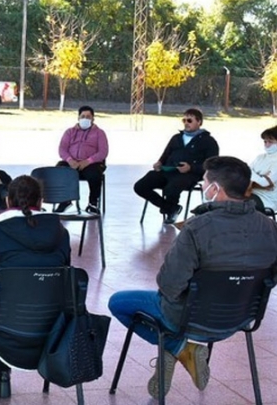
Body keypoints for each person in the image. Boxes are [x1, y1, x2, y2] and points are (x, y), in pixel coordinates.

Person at [110, 156, 277, 400]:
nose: (202, 186)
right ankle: (182, 349)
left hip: (190, 318)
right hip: (242, 317)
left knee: (118, 302)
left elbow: (169, 285)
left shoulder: (197, 227)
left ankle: (178, 347)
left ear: (215, 189)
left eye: (204, 182)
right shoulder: (270, 227)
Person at [0, 175, 70, 398]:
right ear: (41, 201)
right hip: (51, 325)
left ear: (8, 202)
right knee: (9, 300)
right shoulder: (61, 233)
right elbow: (63, 280)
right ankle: (2, 375)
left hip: (2, 323)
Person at [133, 108, 219, 224]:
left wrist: (191, 167)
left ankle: (170, 211)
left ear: (199, 122)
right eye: (184, 120)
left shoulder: (208, 141)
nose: (186, 123)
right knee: (141, 185)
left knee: (172, 187)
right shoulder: (176, 138)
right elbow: (165, 155)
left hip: (189, 175)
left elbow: (212, 165)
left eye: (189, 120)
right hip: (168, 171)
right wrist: (159, 163)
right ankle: (171, 208)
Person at [56, 105, 109, 214]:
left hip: (91, 163)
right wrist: (70, 160)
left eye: (88, 117)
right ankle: (65, 200)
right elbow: (62, 149)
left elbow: (103, 152)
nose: (85, 119)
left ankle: (93, 203)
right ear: (78, 118)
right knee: (59, 169)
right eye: (83, 116)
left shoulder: (100, 133)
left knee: (94, 174)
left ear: (93, 119)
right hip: (72, 163)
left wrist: (87, 161)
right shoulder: (69, 132)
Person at [249, 125, 277, 212]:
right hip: (251, 194)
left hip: (267, 200)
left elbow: (265, 183)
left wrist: (252, 173)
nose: (267, 145)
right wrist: (260, 177)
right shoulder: (260, 157)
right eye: (265, 142)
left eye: (270, 142)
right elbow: (244, 173)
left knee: (236, 205)